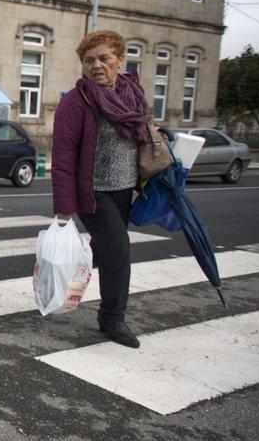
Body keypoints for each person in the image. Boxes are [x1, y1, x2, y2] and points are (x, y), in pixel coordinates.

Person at [51, 30, 154, 349]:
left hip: (125, 189)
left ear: (120, 59)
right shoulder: (75, 102)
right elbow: (64, 155)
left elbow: (142, 132)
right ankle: (112, 319)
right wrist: (64, 206)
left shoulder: (132, 95)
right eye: (89, 60)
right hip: (92, 192)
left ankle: (73, 271)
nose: (97, 65)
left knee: (108, 250)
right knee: (119, 250)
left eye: (104, 58)